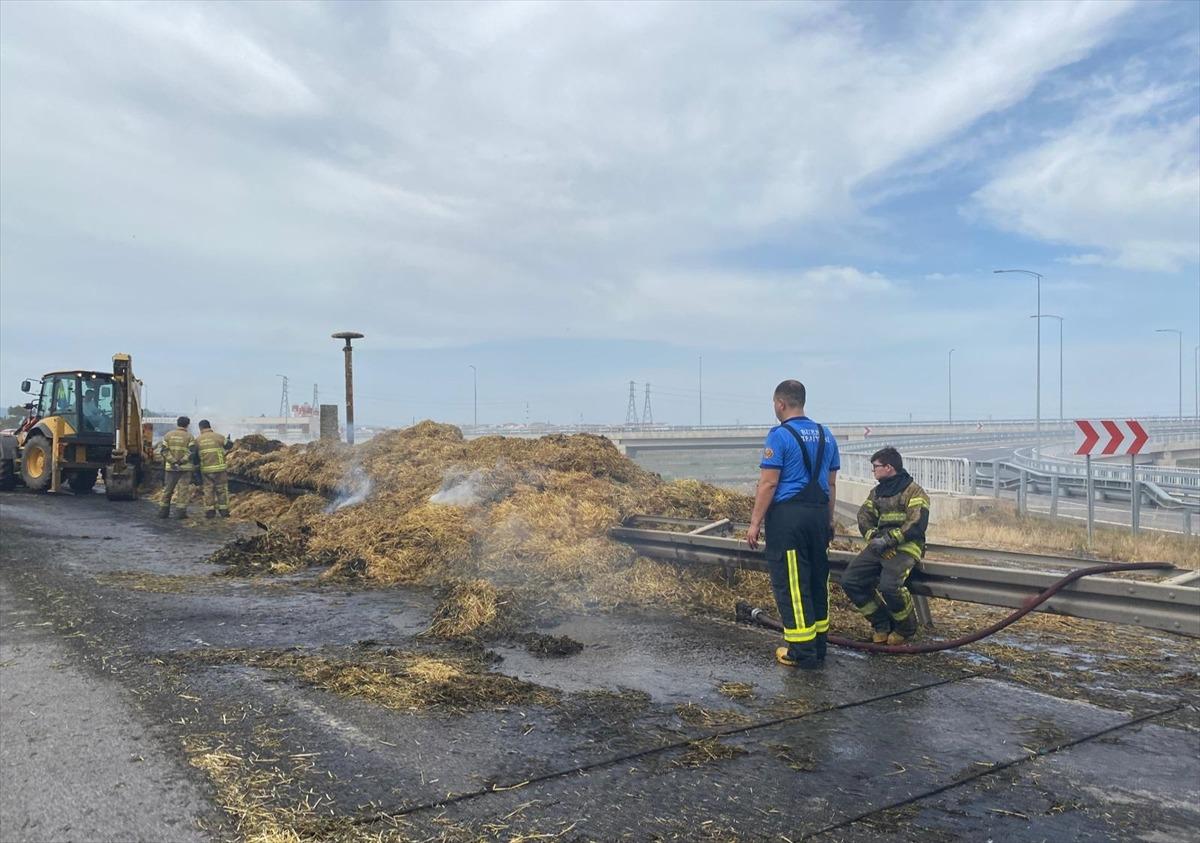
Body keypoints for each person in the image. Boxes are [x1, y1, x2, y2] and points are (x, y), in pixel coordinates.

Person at [746, 380, 840, 669]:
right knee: (816, 581)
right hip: (818, 516)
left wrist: (754, 523)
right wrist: (829, 520)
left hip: (789, 519)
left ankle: (801, 651)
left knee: (793, 584)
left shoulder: (779, 436)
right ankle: (818, 647)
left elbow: (769, 483)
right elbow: (831, 484)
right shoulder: (826, 435)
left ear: (780, 404)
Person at [841, 447, 930, 645]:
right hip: (878, 546)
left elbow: (916, 524)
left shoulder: (914, 491)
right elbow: (864, 516)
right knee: (850, 580)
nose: (874, 472)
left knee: (890, 586)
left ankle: (906, 629)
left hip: (906, 547)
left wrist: (889, 541)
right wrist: (874, 538)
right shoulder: (877, 493)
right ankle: (882, 624)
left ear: (889, 467)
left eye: (876, 467)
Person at [193, 420, 232, 518]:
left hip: (206, 470)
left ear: (200, 428)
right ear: (209, 426)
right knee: (222, 489)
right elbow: (229, 445)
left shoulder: (198, 440)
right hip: (220, 469)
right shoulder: (218, 436)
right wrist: (229, 440)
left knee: (208, 490)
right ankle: (224, 512)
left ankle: (210, 512)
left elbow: (194, 457)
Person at [157, 416, 194, 519]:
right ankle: (180, 513)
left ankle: (163, 513)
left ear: (177, 424)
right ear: (187, 425)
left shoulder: (168, 435)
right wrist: (182, 461)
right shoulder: (189, 436)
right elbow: (191, 452)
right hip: (185, 469)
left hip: (171, 468)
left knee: (168, 490)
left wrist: (173, 461)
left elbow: (164, 451)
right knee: (183, 490)